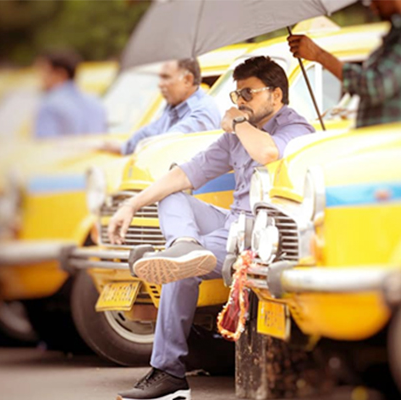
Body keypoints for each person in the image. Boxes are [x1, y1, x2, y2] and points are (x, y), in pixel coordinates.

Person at [108, 56, 314, 400]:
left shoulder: (296, 128)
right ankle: (185, 244)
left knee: (179, 271)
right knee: (173, 198)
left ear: (276, 96)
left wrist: (237, 122)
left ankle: (169, 374)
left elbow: (267, 152)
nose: (239, 102)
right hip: (230, 222)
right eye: (236, 96)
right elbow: (187, 173)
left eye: (247, 94)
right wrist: (130, 205)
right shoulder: (237, 134)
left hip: (260, 234)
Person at [288, 0, 401, 128]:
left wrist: (319, 55)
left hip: (398, 148)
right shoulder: (399, 34)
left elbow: (375, 85)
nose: (371, 5)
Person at [101, 58, 221, 155]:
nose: (160, 84)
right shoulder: (174, 107)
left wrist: (135, 148)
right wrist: (123, 147)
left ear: (187, 80)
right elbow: (149, 132)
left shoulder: (203, 111)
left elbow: (167, 142)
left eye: (166, 77)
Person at [34, 50, 107, 138]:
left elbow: (44, 145)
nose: (41, 79)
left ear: (60, 74)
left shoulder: (49, 105)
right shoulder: (95, 101)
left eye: (45, 72)